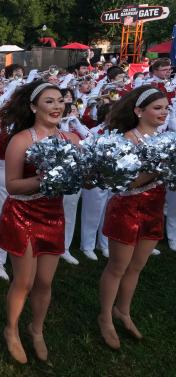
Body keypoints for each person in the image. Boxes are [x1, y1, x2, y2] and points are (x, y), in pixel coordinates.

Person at [0, 81, 80, 363]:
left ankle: (36, 329)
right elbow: (13, 185)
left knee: (45, 280)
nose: (57, 106)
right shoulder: (21, 140)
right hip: (23, 214)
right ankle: (12, 329)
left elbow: (81, 178)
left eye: (60, 101)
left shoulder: (72, 139)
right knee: (25, 280)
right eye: (49, 101)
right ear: (33, 107)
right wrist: (46, 178)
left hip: (53, 214)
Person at [98, 86, 169, 350]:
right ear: (139, 111)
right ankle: (105, 316)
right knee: (117, 267)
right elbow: (125, 184)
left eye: (165, 108)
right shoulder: (127, 140)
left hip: (153, 209)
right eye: (157, 108)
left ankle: (123, 311)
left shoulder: (166, 140)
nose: (163, 112)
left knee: (137, 266)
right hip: (127, 209)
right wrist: (160, 170)